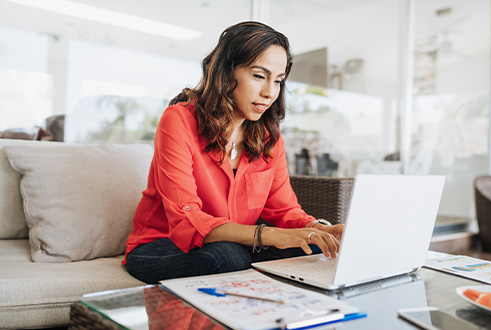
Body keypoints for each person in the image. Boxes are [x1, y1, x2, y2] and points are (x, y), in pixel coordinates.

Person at [123, 21, 344, 284]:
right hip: (160, 246)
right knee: (227, 257)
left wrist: (318, 229)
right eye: (259, 76)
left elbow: (285, 211)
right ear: (226, 72)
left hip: (237, 244)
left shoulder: (268, 139)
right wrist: (270, 236)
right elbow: (187, 221)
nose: (269, 92)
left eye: (278, 81)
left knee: (317, 247)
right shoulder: (178, 120)